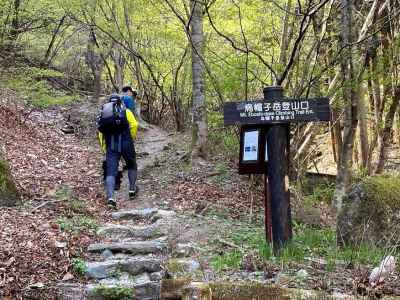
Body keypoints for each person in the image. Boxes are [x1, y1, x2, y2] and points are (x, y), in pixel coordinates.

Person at [98, 94, 139, 208]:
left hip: (111, 145)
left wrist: (103, 147)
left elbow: (100, 132)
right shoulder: (126, 111)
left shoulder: (104, 113)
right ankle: (131, 190)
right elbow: (135, 124)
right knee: (131, 164)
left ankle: (111, 198)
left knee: (111, 171)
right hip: (126, 143)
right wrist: (131, 137)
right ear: (120, 101)